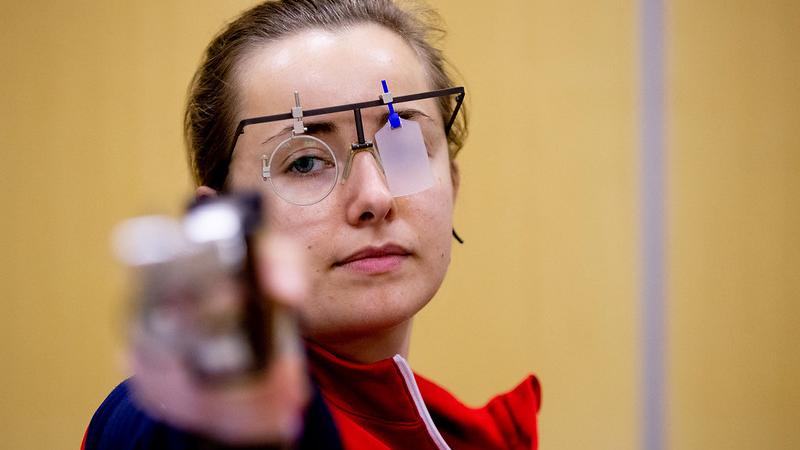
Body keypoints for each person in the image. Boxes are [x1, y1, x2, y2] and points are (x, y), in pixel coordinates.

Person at [83, 1, 540, 449]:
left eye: (403, 145)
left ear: (453, 185)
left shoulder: (479, 437)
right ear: (221, 223)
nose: (375, 197)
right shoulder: (166, 421)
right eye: (303, 162)